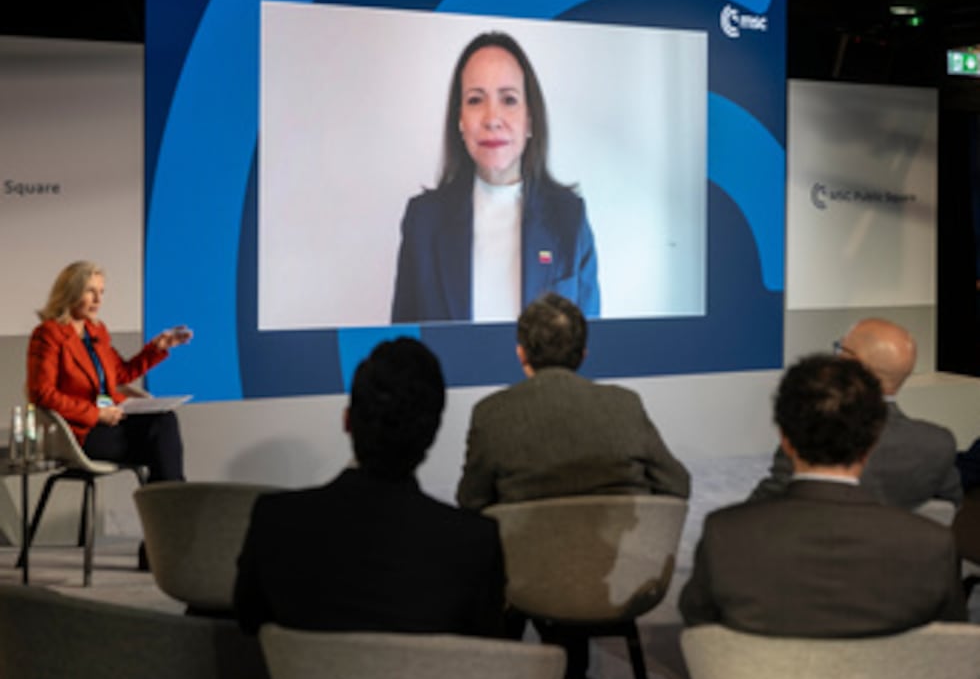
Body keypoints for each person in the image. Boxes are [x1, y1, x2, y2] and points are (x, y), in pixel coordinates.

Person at [234, 337, 505, 637]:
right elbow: (485, 656)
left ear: (347, 420)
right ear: (432, 433)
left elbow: (249, 627)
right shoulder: (474, 543)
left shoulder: (274, 522)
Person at [679, 353, 966, 635]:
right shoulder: (933, 545)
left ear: (785, 441)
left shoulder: (727, 533)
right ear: (871, 442)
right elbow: (952, 642)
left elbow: (700, 622)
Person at [391, 30, 599, 324]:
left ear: (530, 120)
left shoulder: (569, 219)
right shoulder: (423, 221)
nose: (492, 118)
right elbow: (404, 351)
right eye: (475, 100)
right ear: (460, 120)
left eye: (509, 99)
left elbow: (589, 349)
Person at [456, 291, 690, 511]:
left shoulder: (491, 414)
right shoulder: (625, 404)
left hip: (528, 552)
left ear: (521, 353)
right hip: (621, 552)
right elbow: (676, 484)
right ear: (583, 354)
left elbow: (471, 501)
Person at [749, 318, 962, 509]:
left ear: (853, 364)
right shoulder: (937, 444)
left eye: (840, 349)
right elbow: (948, 509)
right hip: (900, 550)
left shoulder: (812, 431)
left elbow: (762, 510)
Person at [27, 260, 191, 484]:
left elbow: (120, 374)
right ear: (71, 292)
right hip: (80, 432)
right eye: (90, 291)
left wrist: (157, 349)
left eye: (101, 292)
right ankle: (167, 508)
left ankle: (168, 504)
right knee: (160, 449)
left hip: (112, 420)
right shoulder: (48, 334)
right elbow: (41, 393)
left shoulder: (96, 330)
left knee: (164, 421)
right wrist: (96, 414)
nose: (98, 300)